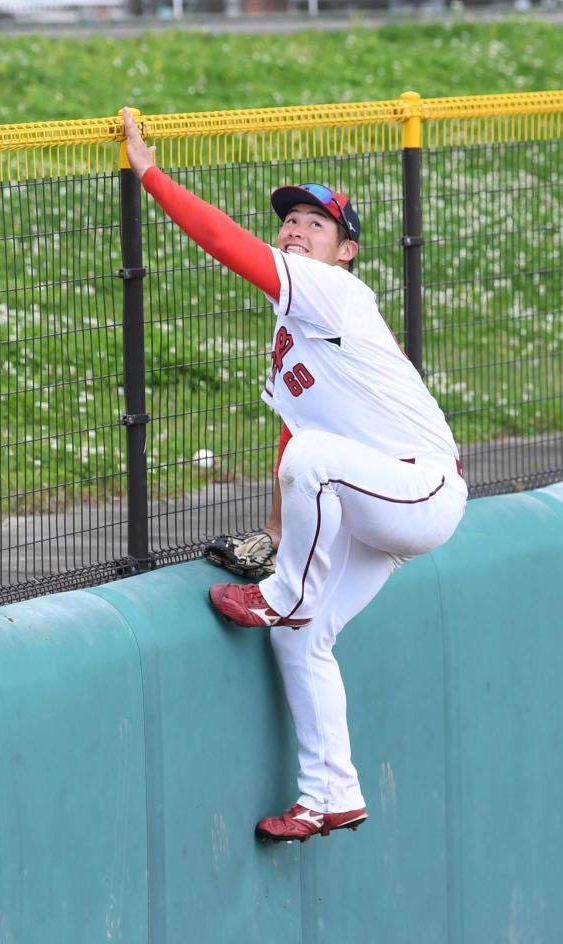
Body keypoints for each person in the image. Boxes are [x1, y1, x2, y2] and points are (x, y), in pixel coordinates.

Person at [123, 108, 468, 844]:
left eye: (316, 223)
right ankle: (330, 793)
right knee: (302, 639)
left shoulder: (335, 294)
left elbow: (222, 241)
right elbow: (294, 434)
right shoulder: (290, 336)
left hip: (422, 490)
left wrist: (148, 172)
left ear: (346, 252)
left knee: (306, 491)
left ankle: (281, 595)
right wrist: (278, 536)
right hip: (372, 505)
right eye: (289, 220)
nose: (294, 230)